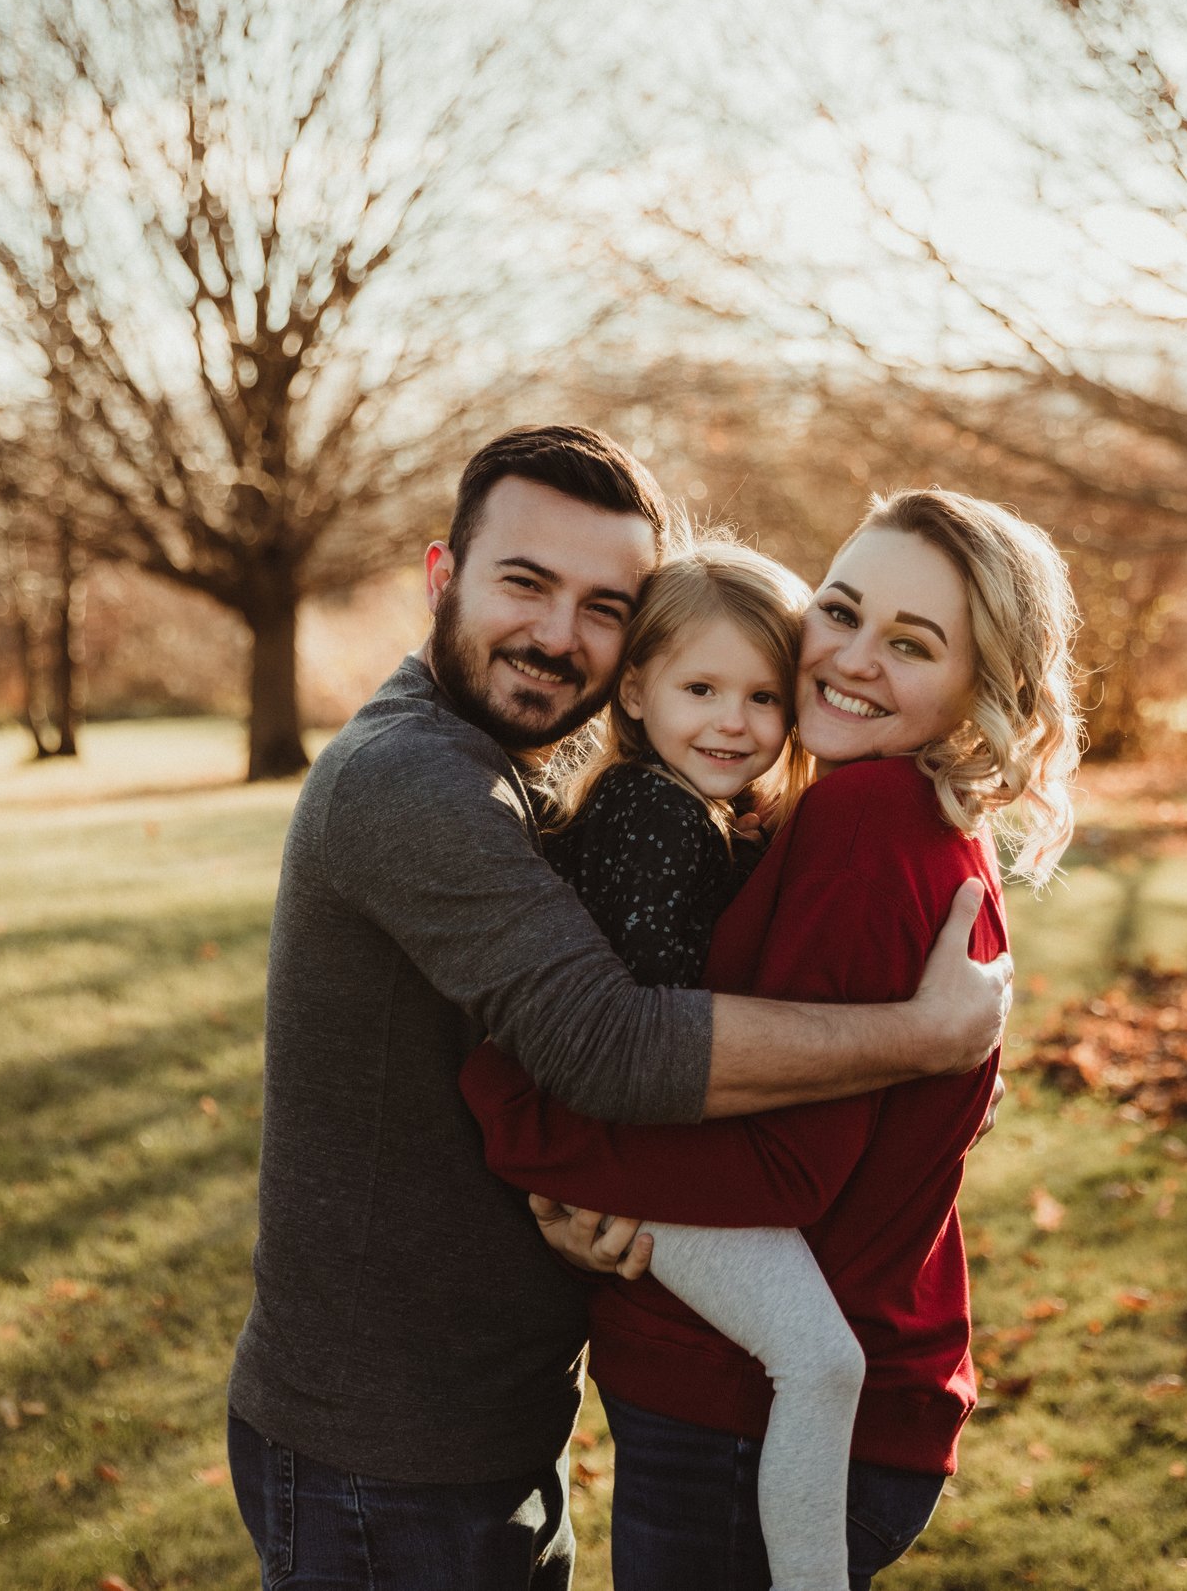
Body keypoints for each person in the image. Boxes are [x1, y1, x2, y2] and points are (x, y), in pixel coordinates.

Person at [226, 428, 1015, 1591]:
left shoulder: (547, 756)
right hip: (383, 1444)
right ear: (442, 578)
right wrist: (925, 1038)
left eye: (605, 604)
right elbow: (614, 1043)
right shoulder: (411, 780)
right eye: (524, 583)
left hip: (491, 1415)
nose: (559, 634)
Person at [461, 489, 1083, 1589]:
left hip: (742, 1411)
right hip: (811, 1380)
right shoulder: (882, 814)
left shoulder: (868, 822)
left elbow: (786, 1164)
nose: (850, 658)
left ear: (980, 685)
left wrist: (534, 1140)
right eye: (840, 612)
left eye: (912, 641)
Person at [488, 540, 870, 1591]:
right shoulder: (651, 817)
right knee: (822, 1360)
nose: (734, 721)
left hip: (631, 1143)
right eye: (702, 687)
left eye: (761, 695)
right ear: (638, 687)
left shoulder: (692, 810)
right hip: (630, 1149)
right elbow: (657, 1044)